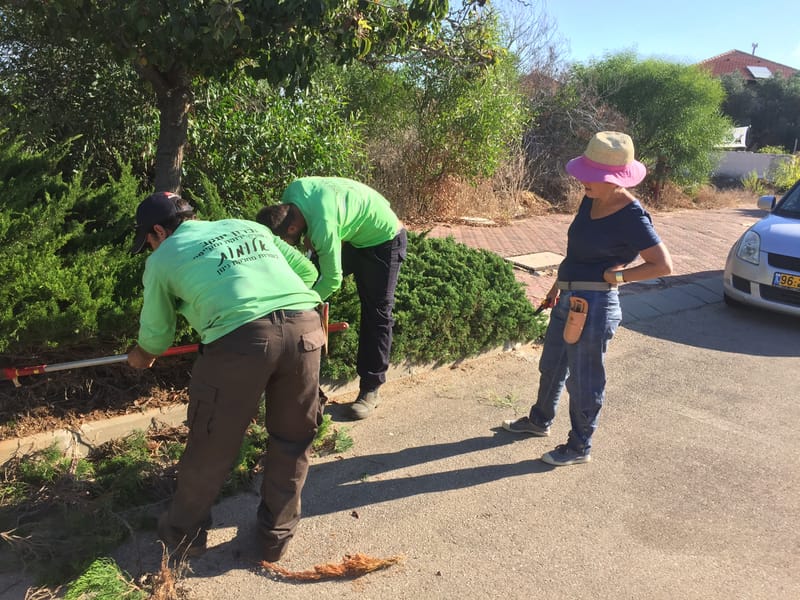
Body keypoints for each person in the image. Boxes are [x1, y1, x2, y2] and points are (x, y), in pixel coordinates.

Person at [126, 191, 325, 562]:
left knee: (211, 443)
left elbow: (156, 336)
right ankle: (274, 538)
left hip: (241, 342)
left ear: (158, 231)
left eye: (148, 240)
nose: (150, 247)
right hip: (305, 329)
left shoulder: (163, 258)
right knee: (292, 440)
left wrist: (140, 357)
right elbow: (309, 273)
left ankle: (184, 538)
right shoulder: (247, 226)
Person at [502, 131, 673, 466]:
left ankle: (580, 446)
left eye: (593, 177)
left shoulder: (632, 215)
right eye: (586, 174)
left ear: (616, 179)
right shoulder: (591, 198)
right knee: (551, 365)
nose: (583, 181)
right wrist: (556, 286)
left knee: (585, 379)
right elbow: (576, 251)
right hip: (569, 295)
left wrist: (619, 276)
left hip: (595, 305)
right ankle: (539, 421)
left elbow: (663, 265)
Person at [256, 177, 407, 420]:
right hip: (350, 234)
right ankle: (290, 377)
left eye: (287, 242)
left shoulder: (323, 226)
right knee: (303, 283)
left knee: (377, 313)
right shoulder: (293, 193)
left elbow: (332, 280)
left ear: (293, 228)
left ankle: (371, 388)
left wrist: (300, 305)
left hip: (384, 239)